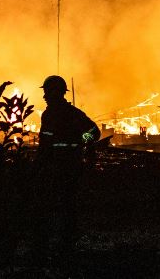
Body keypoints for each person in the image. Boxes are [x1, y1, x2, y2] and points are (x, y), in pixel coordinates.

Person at [36, 74, 100, 254]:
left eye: (47, 92)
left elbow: (45, 146)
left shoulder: (49, 116)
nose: (45, 97)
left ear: (54, 92)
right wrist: (83, 139)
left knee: (58, 205)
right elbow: (94, 133)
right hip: (70, 167)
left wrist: (37, 167)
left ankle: (58, 244)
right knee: (67, 205)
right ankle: (67, 241)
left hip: (60, 169)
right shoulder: (73, 114)